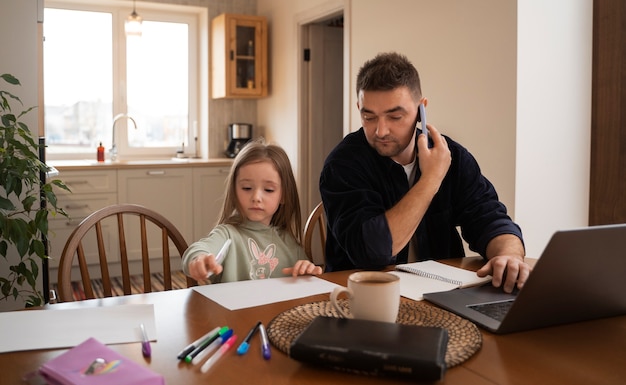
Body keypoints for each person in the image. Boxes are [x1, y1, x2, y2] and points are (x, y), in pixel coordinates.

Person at [319, 52, 531, 293]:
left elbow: (490, 219)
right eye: (369, 116)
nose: (380, 130)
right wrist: (430, 179)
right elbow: (373, 251)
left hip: (442, 295)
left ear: (421, 109)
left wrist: (509, 255)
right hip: (361, 299)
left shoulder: (453, 156)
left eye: (395, 116)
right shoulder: (343, 165)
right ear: (359, 108)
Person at [183, 139, 322, 283]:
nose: (256, 197)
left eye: (268, 190)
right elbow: (198, 250)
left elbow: (306, 278)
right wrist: (199, 259)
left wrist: (307, 271)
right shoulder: (227, 234)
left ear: (284, 195)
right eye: (247, 188)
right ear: (234, 191)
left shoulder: (289, 242)